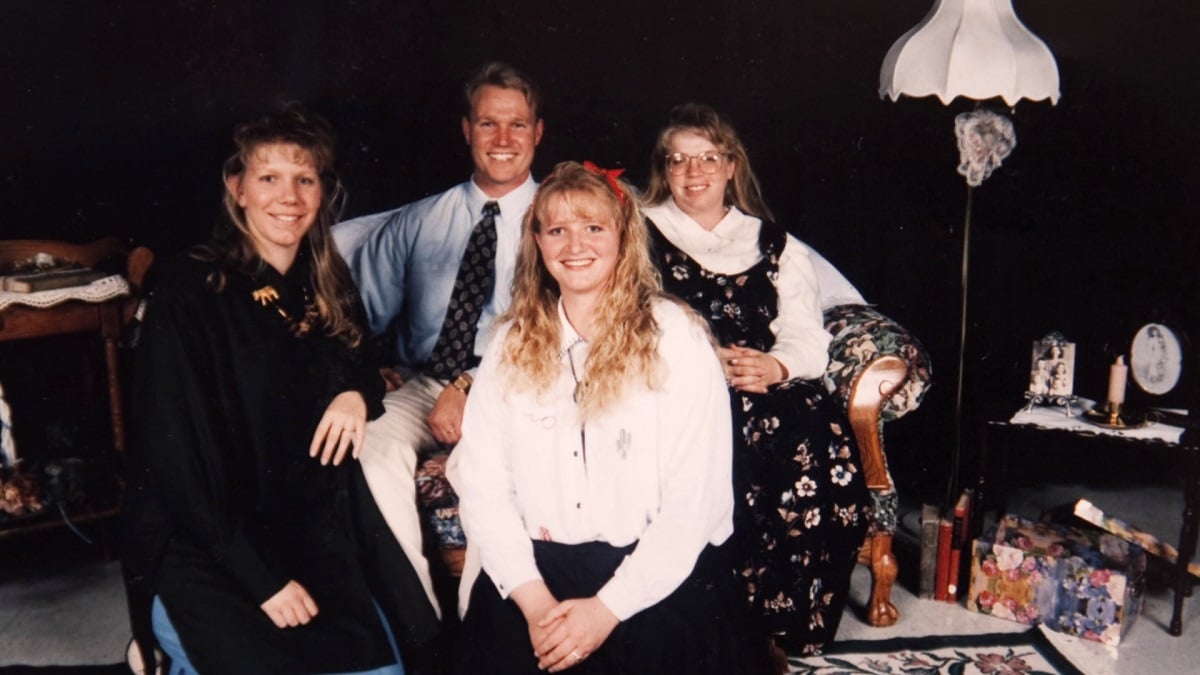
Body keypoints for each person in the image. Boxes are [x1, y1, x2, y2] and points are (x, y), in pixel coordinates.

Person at [121, 104, 439, 674]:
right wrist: (262, 582)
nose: (287, 196)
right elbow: (174, 466)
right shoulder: (189, 288)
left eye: (304, 178)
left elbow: (361, 358)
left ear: (322, 192)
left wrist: (354, 395)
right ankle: (166, 645)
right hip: (208, 542)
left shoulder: (323, 280)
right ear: (237, 188)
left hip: (304, 532)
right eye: (269, 178)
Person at [446, 161, 749, 674]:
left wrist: (606, 611)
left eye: (593, 227)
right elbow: (482, 487)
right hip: (536, 578)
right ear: (537, 242)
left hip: (648, 575)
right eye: (557, 230)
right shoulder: (508, 344)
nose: (574, 245)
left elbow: (695, 503)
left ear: (622, 237)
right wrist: (538, 606)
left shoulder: (675, 338)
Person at [641, 103, 870, 663]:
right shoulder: (641, 232)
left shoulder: (774, 244)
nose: (694, 173)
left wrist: (777, 367)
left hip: (768, 383)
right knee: (736, 442)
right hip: (681, 386)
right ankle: (734, 624)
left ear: (730, 167)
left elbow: (805, 335)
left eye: (708, 159)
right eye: (679, 161)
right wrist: (700, 361)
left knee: (819, 438)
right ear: (664, 171)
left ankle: (793, 625)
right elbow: (630, 321)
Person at [338, 62, 544, 607]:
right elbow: (357, 321)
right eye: (487, 124)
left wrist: (472, 384)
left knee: (489, 474)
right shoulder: (418, 222)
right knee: (373, 450)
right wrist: (363, 369)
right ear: (465, 130)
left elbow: (557, 335)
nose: (503, 140)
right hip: (424, 383)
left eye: (517, 125)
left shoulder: (560, 221)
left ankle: (488, 630)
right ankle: (420, 622)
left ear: (538, 132)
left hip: (519, 387)